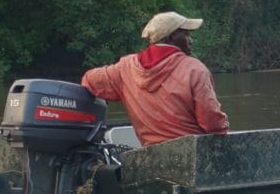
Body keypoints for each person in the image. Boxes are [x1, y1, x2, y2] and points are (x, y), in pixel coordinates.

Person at [81, 11, 229, 146]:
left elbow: (89, 80)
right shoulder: (195, 69)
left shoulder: (125, 67)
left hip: (151, 157)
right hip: (192, 155)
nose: (191, 40)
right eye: (186, 35)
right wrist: (223, 126)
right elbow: (212, 124)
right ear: (171, 37)